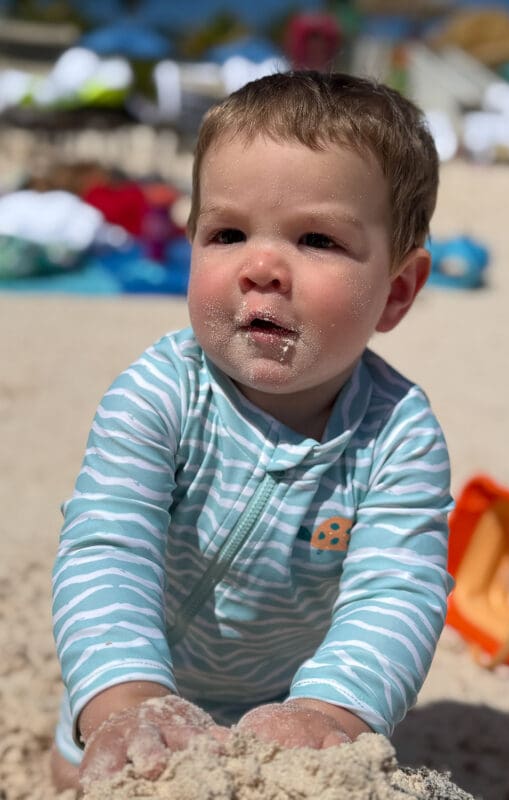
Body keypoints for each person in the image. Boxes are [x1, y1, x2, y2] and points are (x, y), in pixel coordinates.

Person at [51, 70, 453, 790]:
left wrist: (329, 712)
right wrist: (122, 700)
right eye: (228, 233)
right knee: (74, 773)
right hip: (133, 676)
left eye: (317, 239)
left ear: (394, 292)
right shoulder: (157, 395)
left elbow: (395, 593)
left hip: (289, 699)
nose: (260, 267)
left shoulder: (399, 433)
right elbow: (107, 550)